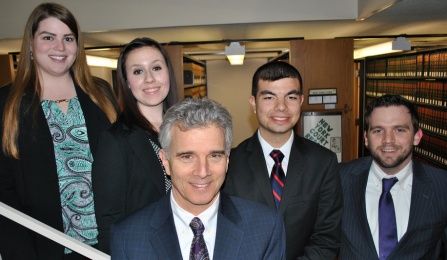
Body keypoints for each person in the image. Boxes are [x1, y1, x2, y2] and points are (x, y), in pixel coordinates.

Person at [0, 3, 119, 259]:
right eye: (48, 38)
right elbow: (3, 193)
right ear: (30, 44)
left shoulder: (100, 94)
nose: (60, 47)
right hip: (41, 249)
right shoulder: (6, 103)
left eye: (68, 38)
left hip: (107, 245)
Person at [110, 98, 286, 259]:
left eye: (214, 156)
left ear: (227, 160)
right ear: (165, 161)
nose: (202, 172)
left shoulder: (265, 228)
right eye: (187, 157)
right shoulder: (127, 238)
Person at [223, 61, 343, 260]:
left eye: (291, 97)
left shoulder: (323, 162)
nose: (281, 107)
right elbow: (224, 233)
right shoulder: (229, 163)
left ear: (301, 100)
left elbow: (327, 237)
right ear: (253, 103)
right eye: (269, 97)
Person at [92, 37, 179, 253]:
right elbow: (108, 222)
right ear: (127, 82)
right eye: (138, 71)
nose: (150, 79)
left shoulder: (185, 130)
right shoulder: (115, 140)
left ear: (168, 73)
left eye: (156, 68)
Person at [339, 94, 447, 259]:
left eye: (399, 130)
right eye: (378, 130)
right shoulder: (338, 178)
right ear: (366, 138)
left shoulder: (442, 185)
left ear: (417, 136)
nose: (387, 140)